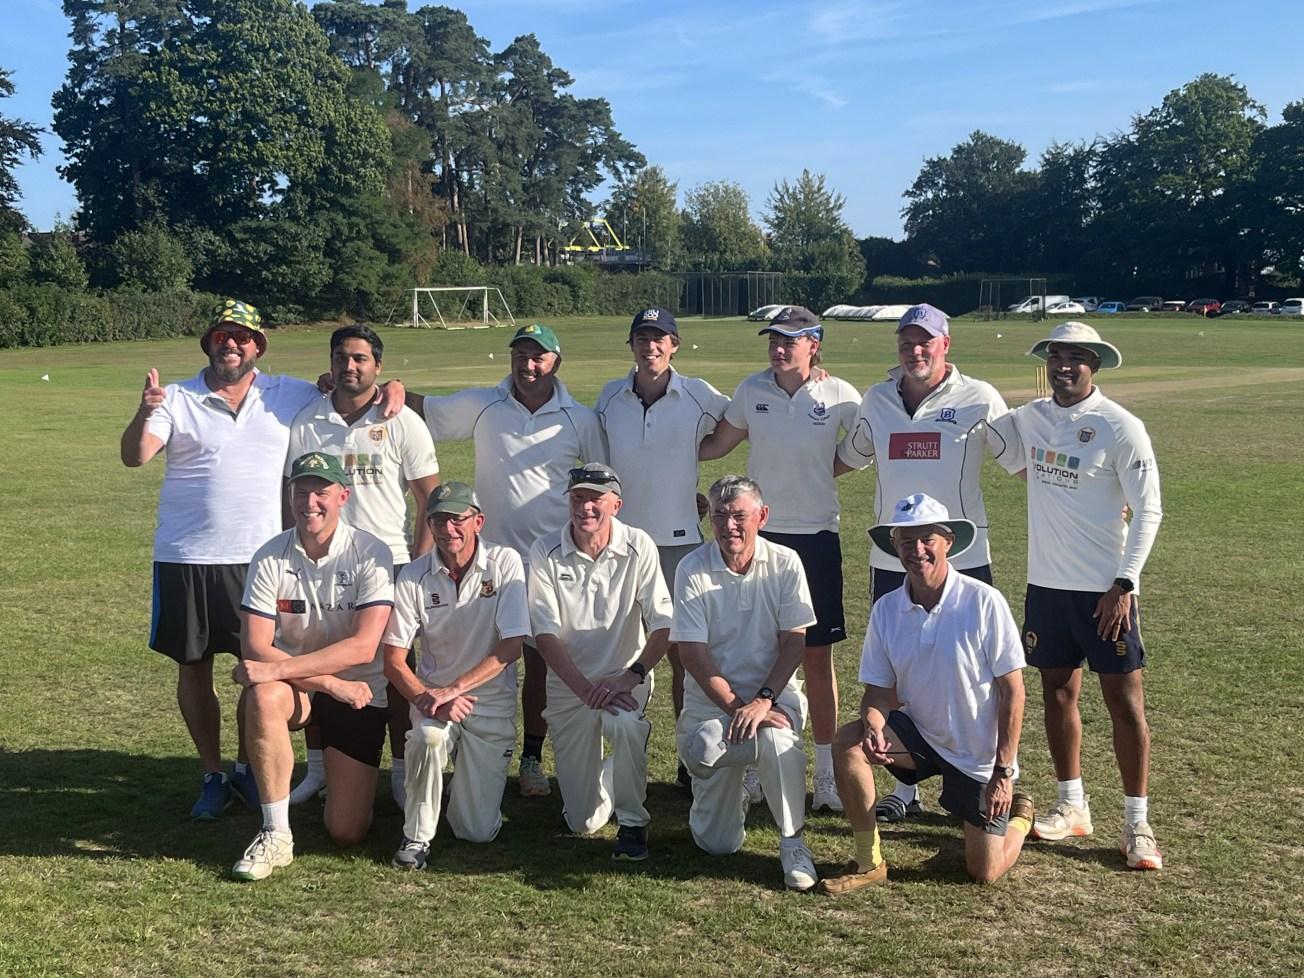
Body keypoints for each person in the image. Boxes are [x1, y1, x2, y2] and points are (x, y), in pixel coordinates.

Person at [119, 298, 402, 819]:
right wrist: (144, 410)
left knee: (260, 665)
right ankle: (212, 773)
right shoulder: (175, 397)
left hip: (263, 558)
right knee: (194, 667)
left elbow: (348, 388)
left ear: (258, 346)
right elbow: (135, 456)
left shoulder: (288, 393)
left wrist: (393, 387)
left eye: (242, 337)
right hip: (187, 555)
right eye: (222, 335)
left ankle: (250, 769)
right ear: (208, 342)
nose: (231, 344)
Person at [834, 302, 1021, 824]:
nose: (915, 351)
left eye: (926, 342)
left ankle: (992, 774)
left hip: (962, 559)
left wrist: (1102, 499)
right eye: (906, 342)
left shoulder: (979, 397)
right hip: (892, 556)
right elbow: (842, 460)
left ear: (945, 345)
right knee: (899, 672)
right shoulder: (876, 400)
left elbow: (1022, 463)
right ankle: (906, 789)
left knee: (972, 675)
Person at [989, 322, 1164, 871]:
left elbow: (1149, 510)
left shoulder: (1120, 426)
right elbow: (984, 427)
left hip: (1107, 591)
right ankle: (1073, 805)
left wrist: (1124, 583)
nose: (1064, 366)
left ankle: (1137, 823)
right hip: (1047, 587)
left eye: (1076, 357)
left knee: (1125, 703)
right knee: (1058, 694)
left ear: (1096, 365)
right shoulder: (1030, 417)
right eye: (1056, 356)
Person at [406, 323, 607, 797]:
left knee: (540, 661)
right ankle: (464, 743)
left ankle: (532, 756)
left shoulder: (580, 418)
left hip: (549, 564)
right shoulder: (485, 404)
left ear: (556, 362)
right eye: (521, 355)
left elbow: (601, 482)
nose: (528, 365)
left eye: (539, 357)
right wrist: (386, 389)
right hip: (485, 560)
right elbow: (426, 409)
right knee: (477, 656)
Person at [819, 493, 1033, 893]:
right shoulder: (886, 609)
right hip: (918, 736)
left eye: (926, 539)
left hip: (978, 757)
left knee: (983, 872)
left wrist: (1003, 772)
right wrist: (873, 723)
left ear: (948, 542)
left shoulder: (984, 601)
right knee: (848, 741)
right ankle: (869, 861)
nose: (917, 550)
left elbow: (1014, 692)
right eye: (906, 541)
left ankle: (1020, 817)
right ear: (894, 547)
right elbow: (878, 692)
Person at [698, 305, 859, 813]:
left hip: (817, 537)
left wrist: (820, 471)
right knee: (757, 653)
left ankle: (826, 775)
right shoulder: (751, 391)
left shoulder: (840, 394)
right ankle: (751, 766)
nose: (779, 348)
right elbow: (715, 445)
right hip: (759, 537)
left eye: (791, 340)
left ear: (815, 345)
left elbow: (862, 447)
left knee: (816, 658)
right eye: (774, 340)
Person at [285, 325, 440, 808]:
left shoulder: (402, 419)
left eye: (360, 358)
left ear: (378, 365)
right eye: (341, 357)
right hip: (320, 563)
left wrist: (416, 566)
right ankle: (317, 769)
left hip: (387, 564)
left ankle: (401, 770)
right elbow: (293, 494)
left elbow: (429, 497)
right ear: (330, 363)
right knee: (315, 659)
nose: (349, 367)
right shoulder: (308, 418)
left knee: (395, 669)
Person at [229, 452, 395, 881]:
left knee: (346, 832)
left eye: (321, 492)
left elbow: (363, 647)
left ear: (343, 496)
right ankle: (275, 833)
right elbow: (255, 645)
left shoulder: (370, 552)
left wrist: (287, 671)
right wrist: (328, 683)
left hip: (360, 693)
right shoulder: (270, 555)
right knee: (263, 695)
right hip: (302, 688)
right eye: (300, 492)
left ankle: (336, 780)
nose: (309, 503)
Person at [594, 307, 728, 792]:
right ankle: (623, 755)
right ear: (631, 344)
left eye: (660, 338)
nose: (650, 346)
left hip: (679, 543)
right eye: (642, 338)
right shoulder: (609, 396)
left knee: (683, 655)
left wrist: (692, 459)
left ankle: (688, 758)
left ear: (674, 345)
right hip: (621, 543)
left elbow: (738, 423)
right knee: (621, 648)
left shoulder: (698, 394)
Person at [672, 476, 820, 892]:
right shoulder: (692, 567)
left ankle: (793, 843)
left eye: (740, 515)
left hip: (774, 698)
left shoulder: (786, 562)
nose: (729, 526)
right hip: (713, 706)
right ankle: (731, 794)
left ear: (762, 516)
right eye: (720, 515)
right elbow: (692, 655)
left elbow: (794, 642)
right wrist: (739, 707)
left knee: (777, 736)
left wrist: (763, 700)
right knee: (717, 845)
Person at [528, 463, 674, 861]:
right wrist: (585, 690)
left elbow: (664, 624)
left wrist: (631, 676)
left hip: (624, 679)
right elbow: (544, 635)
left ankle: (633, 824)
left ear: (616, 504)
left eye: (595, 498)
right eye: (577, 497)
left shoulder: (639, 545)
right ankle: (614, 773)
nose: (585, 507)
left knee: (626, 724)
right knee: (583, 821)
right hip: (570, 686)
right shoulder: (545, 550)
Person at [382, 483, 530, 870]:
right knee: (428, 737)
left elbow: (511, 647)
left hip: (488, 702)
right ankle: (416, 837)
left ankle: (463, 782)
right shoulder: (413, 575)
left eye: (457, 519)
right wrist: (427, 698)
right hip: (435, 703)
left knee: (475, 831)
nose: (448, 529)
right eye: (438, 520)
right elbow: (393, 660)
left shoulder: (505, 563)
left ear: (478, 522)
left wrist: (453, 690)